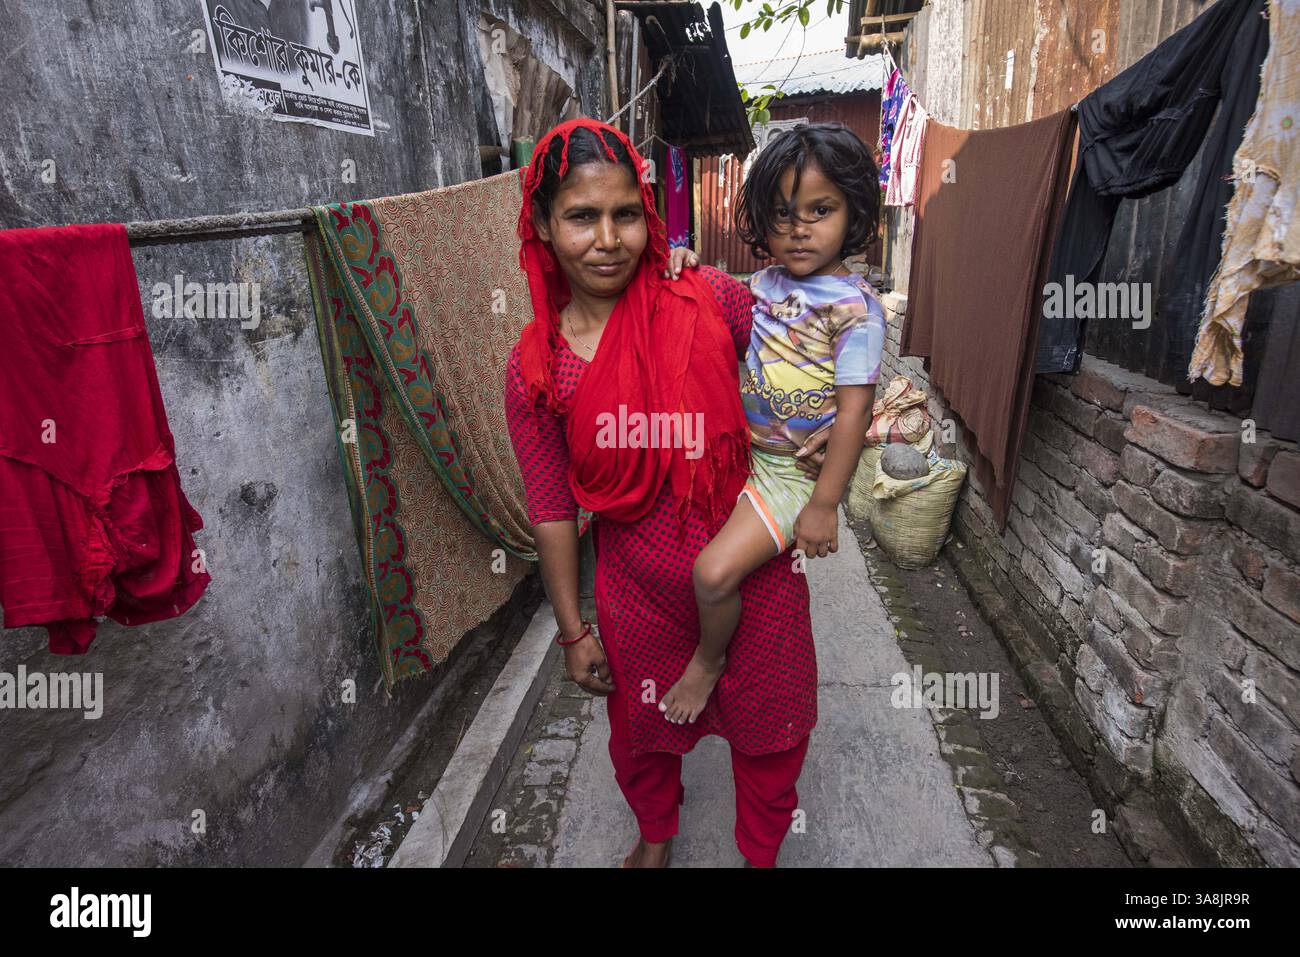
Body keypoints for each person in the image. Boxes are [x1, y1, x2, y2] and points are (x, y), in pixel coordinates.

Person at [503, 118, 833, 868]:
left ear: (646, 213)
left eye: (625, 212)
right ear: (545, 227)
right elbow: (552, 507)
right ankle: (656, 836)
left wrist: (846, 418)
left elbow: (803, 343)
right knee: (644, 737)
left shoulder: (704, 295)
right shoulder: (539, 370)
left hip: (754, 570)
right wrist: (572, 627)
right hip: (639, 591)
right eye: (582, 217)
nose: (609, 238)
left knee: (773, 732)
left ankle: (760, 854)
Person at [657, 123, 886, 726]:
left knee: (711, 572)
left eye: (820, 210)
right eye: (782, 214)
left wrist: (824, 505)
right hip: (744, 455)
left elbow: (856, 408)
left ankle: (707, 662)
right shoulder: (761, 286)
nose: (799, 228)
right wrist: (685, 263)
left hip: (791, 475)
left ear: (854, 211)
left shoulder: (854, 307)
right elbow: (714, 308)